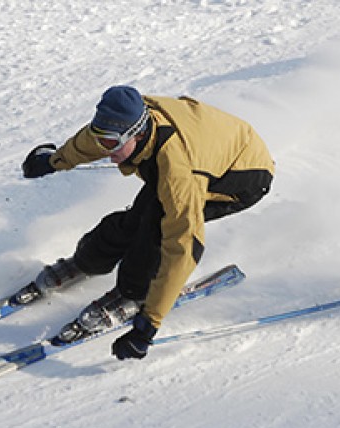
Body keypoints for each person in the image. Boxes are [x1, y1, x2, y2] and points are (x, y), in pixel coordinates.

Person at [21, 85, 274, 360]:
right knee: (133, 219)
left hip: (242, 177)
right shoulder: (127, 121)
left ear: (138, 133)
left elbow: (184, 247)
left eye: (111, 144)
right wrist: (55, 161)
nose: (106, 151)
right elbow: (93, 139)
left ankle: (133, 293)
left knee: (155, 226)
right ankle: (88, 261)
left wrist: (148, 325)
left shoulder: (179, 174)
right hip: (207, 147)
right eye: (102, 140)